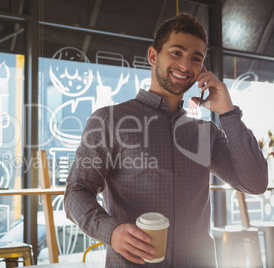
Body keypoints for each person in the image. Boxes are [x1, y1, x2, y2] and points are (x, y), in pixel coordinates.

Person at [63, 12, 268, 267]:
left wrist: (228, 113)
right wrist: (111, 231)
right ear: (153, 56)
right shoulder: (109, 120)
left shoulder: (206, 132)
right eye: (176, 52)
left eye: (196, 58)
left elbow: (256, 182)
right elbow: (75, 192)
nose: (185, 65)